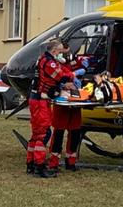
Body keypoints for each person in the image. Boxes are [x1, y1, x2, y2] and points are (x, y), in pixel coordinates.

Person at [27, 39, 73, 178]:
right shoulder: (49, 62)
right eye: (60, 51)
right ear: (54, 50)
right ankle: (39, 166)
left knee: (36, 134)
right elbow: (60, 77)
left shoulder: (43, 59)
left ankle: (31, 163)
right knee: (44, 133)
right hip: (41, 101)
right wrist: (72, 76)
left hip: (37, 99)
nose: (61, 54)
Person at [47, 45, 96, 173]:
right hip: (62, 101)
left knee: (75, 131)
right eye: (62, 51)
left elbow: (87, 68)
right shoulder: (53, 64)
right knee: (59, 132)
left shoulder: (76, 62)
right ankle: (54, 162)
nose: (65, 54)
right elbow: (50, 80)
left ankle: (71, 161)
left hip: (76, 99)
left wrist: (79, 75)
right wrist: (64, 84)